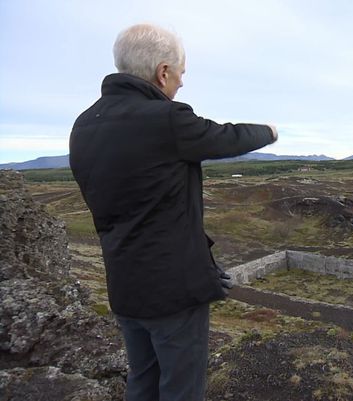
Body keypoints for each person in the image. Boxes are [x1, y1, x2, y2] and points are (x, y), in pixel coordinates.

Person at [69, 24, 278, 401]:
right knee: (182, 389)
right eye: (181, 73)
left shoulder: (83, 125)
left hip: (124, 285)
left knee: (143, 381)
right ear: (163, 72)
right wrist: (269, 131)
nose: (182, 83)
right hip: (173, 292)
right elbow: (225, 137)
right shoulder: (165, 118)